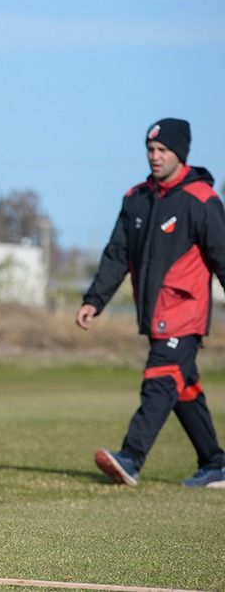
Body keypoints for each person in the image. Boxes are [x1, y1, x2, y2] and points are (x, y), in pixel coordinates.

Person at [77, 117, 225, 489]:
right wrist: (95, 300)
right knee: (182, 387)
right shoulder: (136, 199)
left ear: (181, 153)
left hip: (185, 313)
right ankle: (215, 463)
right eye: (150, 149)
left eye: (162, 150)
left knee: (160, 380)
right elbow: (116, 254)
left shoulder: (202, 201)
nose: (155, 157)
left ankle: (131, 456)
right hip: (154, 314)